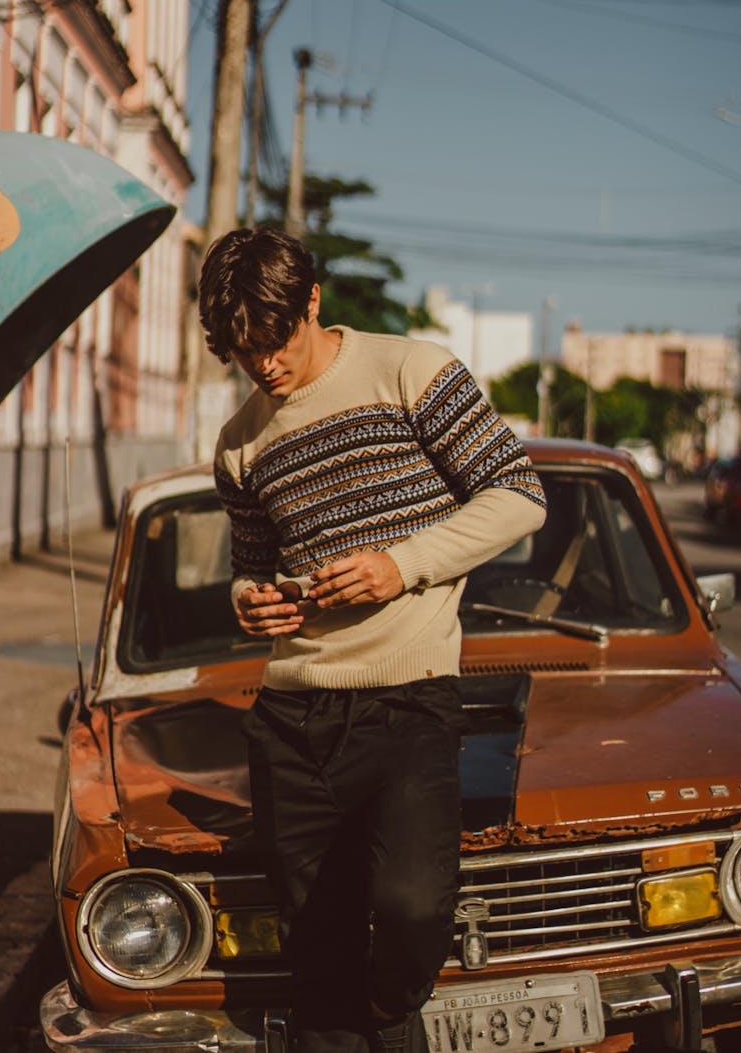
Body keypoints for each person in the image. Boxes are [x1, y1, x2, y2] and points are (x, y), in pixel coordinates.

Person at [198, 227, 546, 1053]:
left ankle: (387, 1015)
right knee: (315, 963)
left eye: (274, 342)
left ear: (313, 302)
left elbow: (521, 495)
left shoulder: (411, 371)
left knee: (413, 909)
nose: (266, 366)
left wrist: (403, 563)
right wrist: (250, 601)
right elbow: (251, 567)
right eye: (244, 352)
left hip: (407, 702)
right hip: (290, 719)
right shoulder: (239, 444)